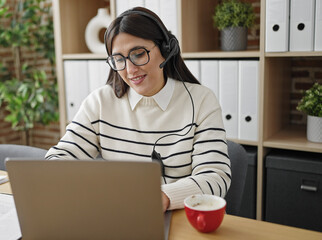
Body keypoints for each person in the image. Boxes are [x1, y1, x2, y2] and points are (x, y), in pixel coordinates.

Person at [45, 7, 231, 212]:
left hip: (179, 219)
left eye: (138, 54)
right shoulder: (99, 102)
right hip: (117, 216)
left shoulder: (201, 101)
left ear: (165, 50)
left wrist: (162, 198)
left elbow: (215, 176)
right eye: (119, 59)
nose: (130, 69)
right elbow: (60, 158)